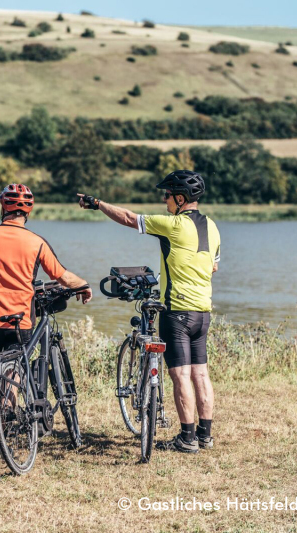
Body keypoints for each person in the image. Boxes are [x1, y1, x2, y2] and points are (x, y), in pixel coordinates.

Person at [78, 170, 220, 453]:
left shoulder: (174, 224)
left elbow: (131, 218)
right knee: (200, 374)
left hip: (177, 311)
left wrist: (98, 204)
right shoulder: (212, 226)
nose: (164, 201)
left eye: (167, 196)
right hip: (202, 311)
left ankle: (187, 438)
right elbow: (213, 266)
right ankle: (205, 435)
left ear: (180, 199)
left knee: (179, 375)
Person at [0, 183, 92, 457]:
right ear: (28, 212)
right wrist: (84, 285)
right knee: (13, 374)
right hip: (22, 322)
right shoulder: (37, 242)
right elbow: (63, 277)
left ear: (3, 207)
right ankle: (7, 432)